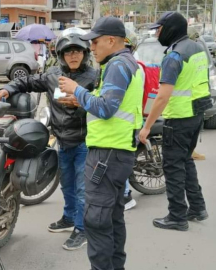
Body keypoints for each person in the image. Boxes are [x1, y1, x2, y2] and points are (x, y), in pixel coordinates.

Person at [0, 28, 96, 251]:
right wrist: (7, 88)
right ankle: (69, 218)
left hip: (84, 142)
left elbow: (102, 104)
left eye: (78, 51)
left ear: (85, 53)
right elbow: (27, 81)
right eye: (68, 51)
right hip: (62, 140)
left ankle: (82, 229)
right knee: (67, 184)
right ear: (61, 55)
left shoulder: (93, 77)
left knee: (82, 189)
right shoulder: (52, 75)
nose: (73, 55)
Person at [59, 17, 143, 269]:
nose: (91, 48)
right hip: (116, 153)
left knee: (96, 220)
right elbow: (111, 103)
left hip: (107, 155)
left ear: (111, 40)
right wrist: (82, 100)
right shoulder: (125, 63)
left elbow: (106, 108)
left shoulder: (117, 65)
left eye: (94, 42)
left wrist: (77, 91)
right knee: (112, 218)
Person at [140, 12, 211, 232]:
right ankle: (197, 208)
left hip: (179, 118)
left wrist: (147, 126)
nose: (157, 33)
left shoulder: (174, 56)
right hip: (196, 115)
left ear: (170, 28)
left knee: (172, 167)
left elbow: (162, 96)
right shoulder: (197, 48)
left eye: (158, 29)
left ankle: (177, 216)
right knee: (185, 161)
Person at [123, 28, 141, 211]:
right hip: (131, 122)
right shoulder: (134, 65)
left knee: (121, 164)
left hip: (128, 125)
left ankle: (126, 197)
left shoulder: (127, 67)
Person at [187, 26, 207, 161]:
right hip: (192, 99)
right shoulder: (195, 51)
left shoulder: (193, 51)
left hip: (194, 98)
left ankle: (191, 151)